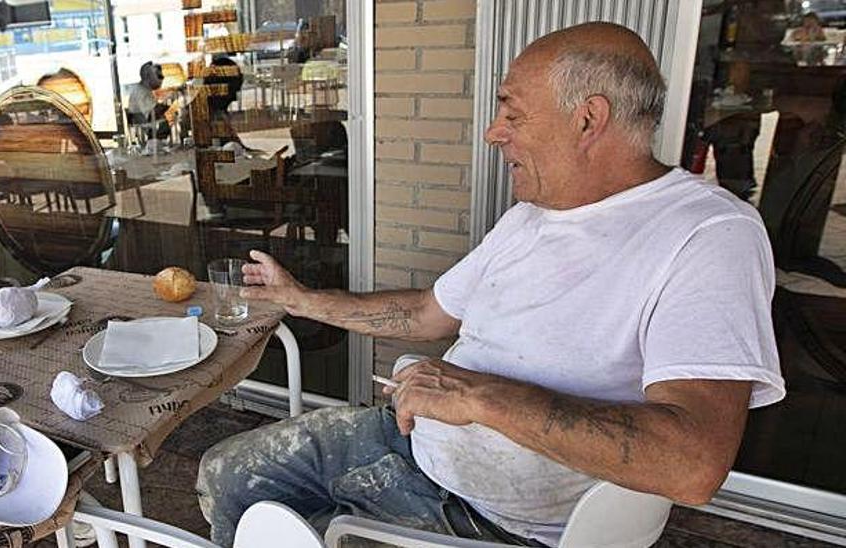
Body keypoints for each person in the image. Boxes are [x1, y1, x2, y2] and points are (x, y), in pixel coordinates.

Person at [196, 22, 785, 547]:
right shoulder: (532, 214)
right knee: (225, 476)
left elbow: (693, 464)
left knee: (263, 508)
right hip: (417, 444)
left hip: (497, 520)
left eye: (512, 111)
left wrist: (479, 397)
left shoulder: (707, 234)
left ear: (588, 119)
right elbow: (427, 315)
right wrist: (299, 299)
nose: (493, 133)